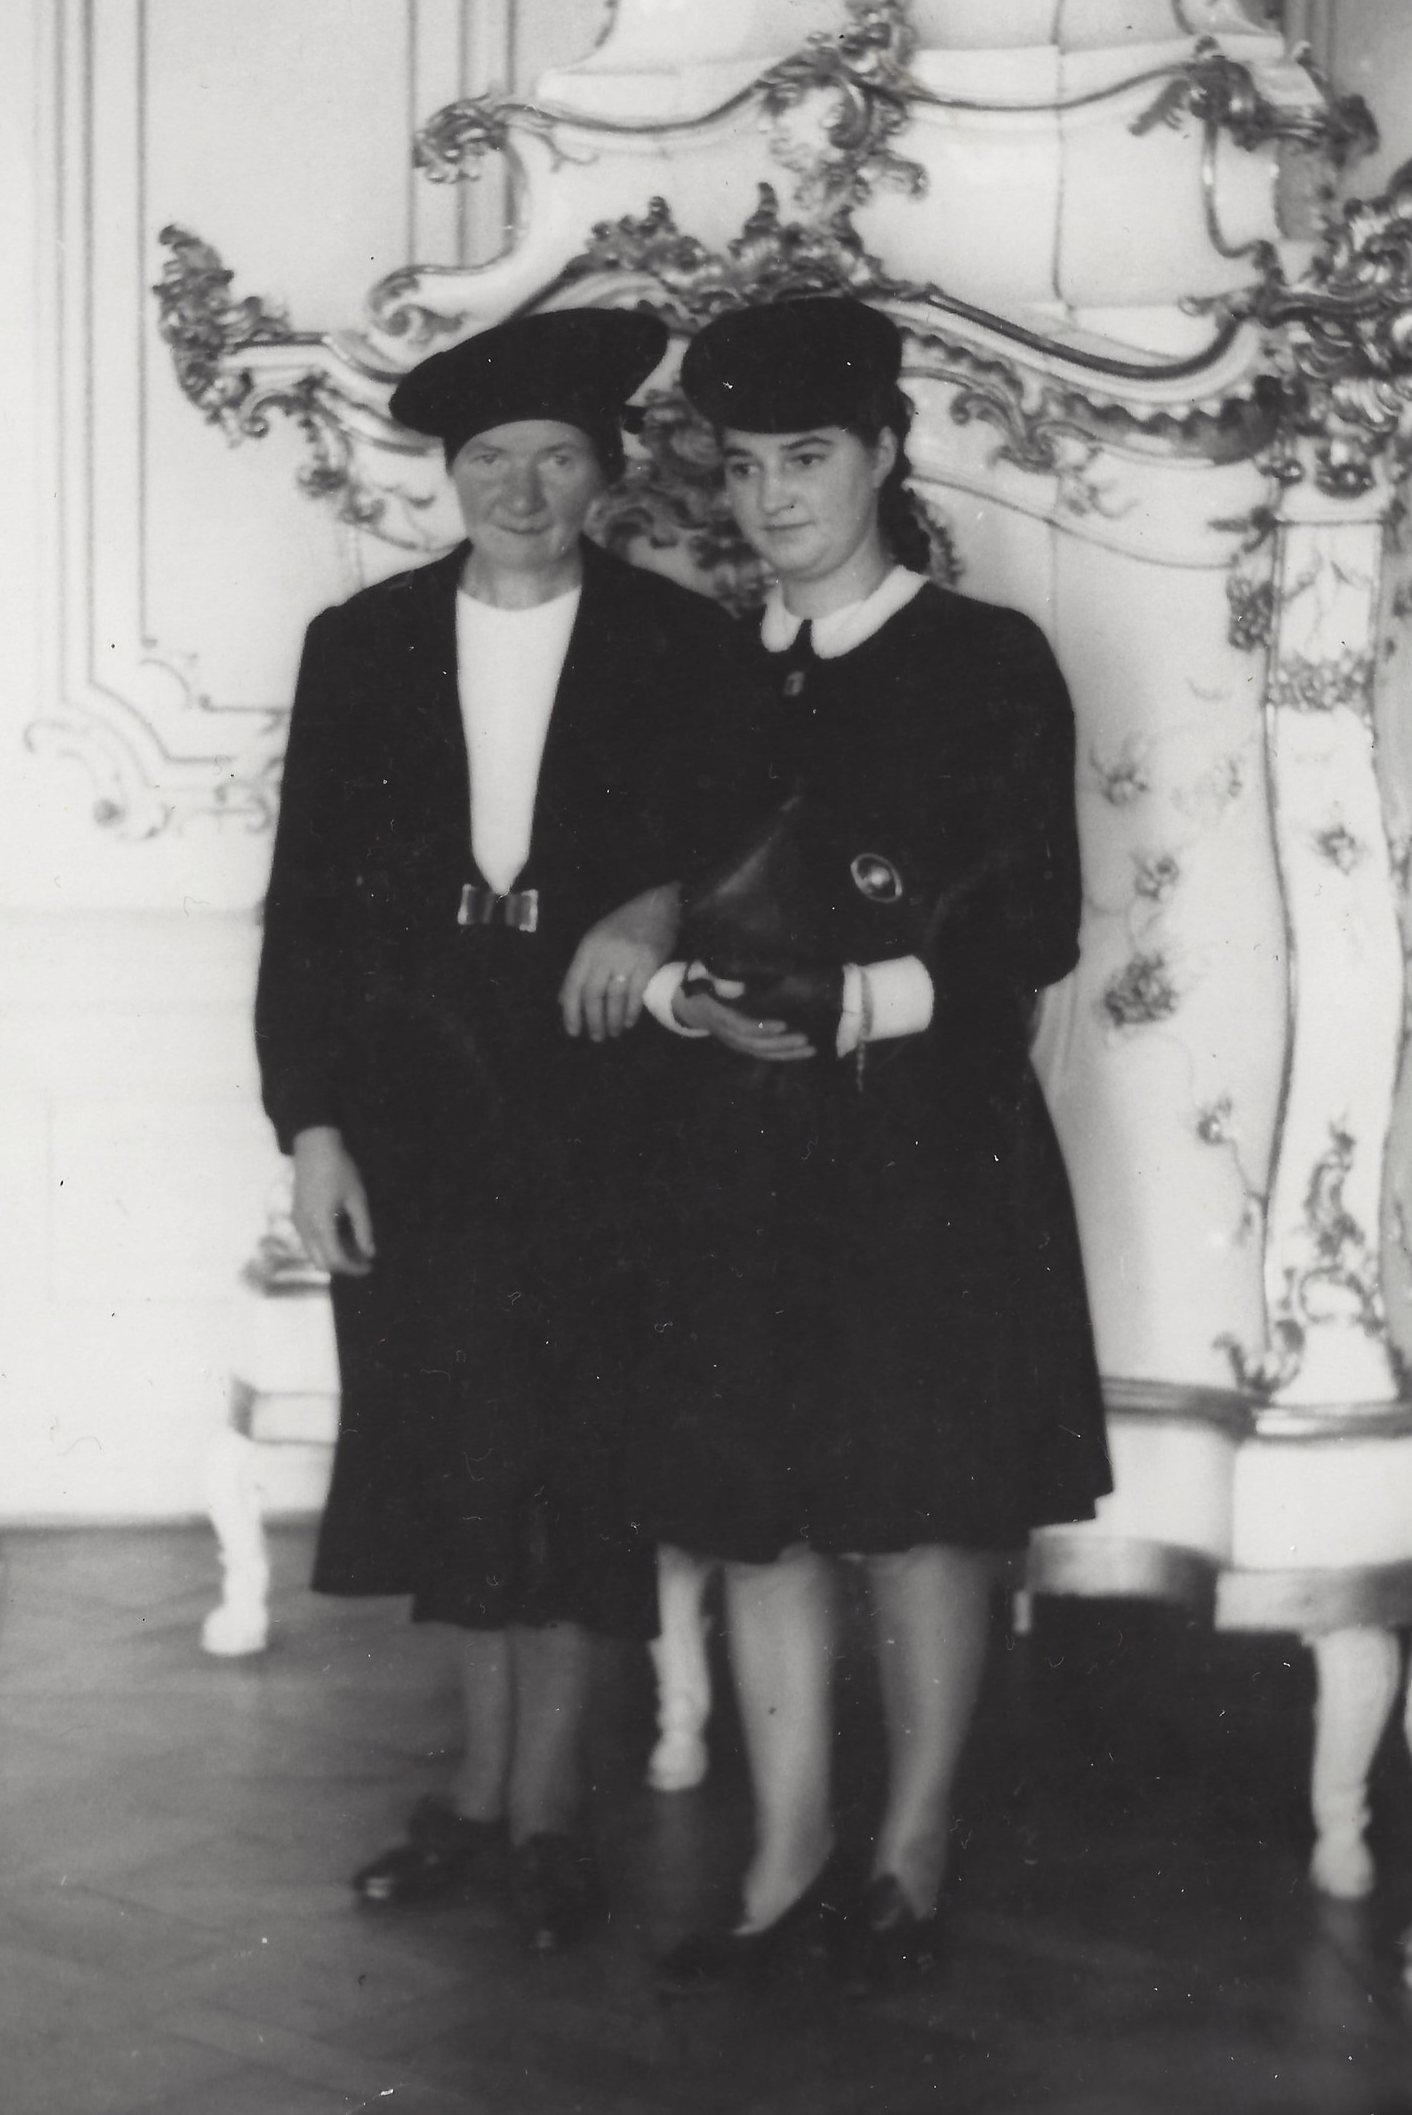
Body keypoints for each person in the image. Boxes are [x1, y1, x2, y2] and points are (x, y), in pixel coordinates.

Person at [254, 306, 767, 1953]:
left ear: (606, 474)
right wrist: (311, 1126)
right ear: (449, 474)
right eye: (490, 459)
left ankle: (547, 1815)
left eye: (556, 457)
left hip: (611, 1110)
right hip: (418, 1112)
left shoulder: (679, 643)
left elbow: (755, 851)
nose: (522, 489)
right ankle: (473, 1800)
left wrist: (656, 902)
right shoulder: (363, 644)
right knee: (455, 1456)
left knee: (579, 1455)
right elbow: (305, 910)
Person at [639, 294, 1112, 1993]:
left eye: (807, 458)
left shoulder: (985, 662)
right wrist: (687, 1001)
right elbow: (651, 893)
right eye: (743, 465)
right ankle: (782, 1863)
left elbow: (1032, 926)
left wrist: (853, 1003)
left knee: (922, 1504)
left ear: (884, 455)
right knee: (756, 1508)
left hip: (927, 1148)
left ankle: (906, 1858)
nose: (772, 497)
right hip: (741, 1146)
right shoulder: (703, 669)